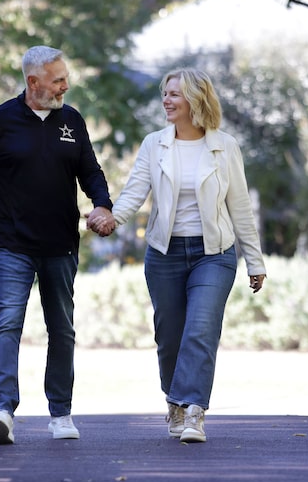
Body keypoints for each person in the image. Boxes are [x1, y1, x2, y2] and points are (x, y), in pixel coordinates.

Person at [87, 68, 266, 443]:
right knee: (169, 337)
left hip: (213, 254)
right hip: (165, 253)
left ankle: (194, 411)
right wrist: (111, 219)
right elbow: (136, 191)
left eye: (174, 94)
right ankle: (175, 400)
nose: (166, 100)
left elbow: (241, 208)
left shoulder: (225, 146)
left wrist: (255, 261)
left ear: (196, 100)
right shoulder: (155, 144)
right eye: (165, 93)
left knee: (200, 331)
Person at [0, 46, 114, 444]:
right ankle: (2, 409)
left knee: (62, 328)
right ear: (33, 82)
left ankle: (60, 413)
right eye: (57, 79)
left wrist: (103, 205)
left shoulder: (72, 121)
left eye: (65, 77)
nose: (65, 85)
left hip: (61, 244)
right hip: (14, 244)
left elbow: (90, 171)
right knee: (8, 321)